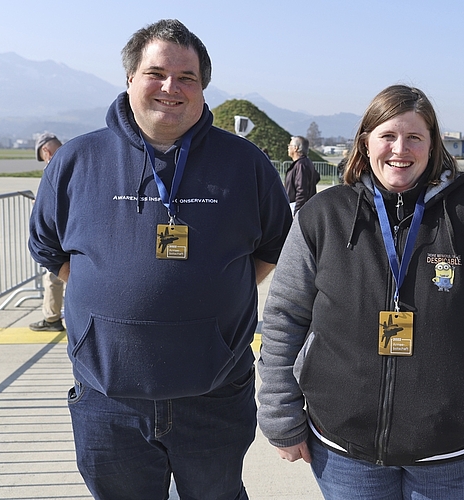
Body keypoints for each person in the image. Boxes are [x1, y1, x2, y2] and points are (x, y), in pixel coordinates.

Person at [28, 19, 293, 500]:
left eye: (187, 78)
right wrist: (111, 302)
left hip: (214, 394)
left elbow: (273, 247)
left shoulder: (245, 162)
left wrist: (207, 301)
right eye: (156, 73)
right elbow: (49, 247)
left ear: (203, 88)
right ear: (130, 79)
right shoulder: (77, 160)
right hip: (109, 399)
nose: (171, 88)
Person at [257, 85, 464, 499]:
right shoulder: (323, 216)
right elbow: (285, 316)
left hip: (454, 450)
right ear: (365, 142)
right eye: (387, 136)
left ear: (432, 145)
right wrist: (280, 414)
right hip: (343, 449)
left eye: (414, 137)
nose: (400, 149)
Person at [29, 133, 65, 332]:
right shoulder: (76, 159)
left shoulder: (54, 167)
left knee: (53, 276)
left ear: (46, 151)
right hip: (75, 232)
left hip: (60, 234)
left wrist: (40, 206)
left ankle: (52, 318)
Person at [285, 135, 320, 214]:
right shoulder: (306, 162)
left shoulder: (301, 165)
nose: (288, 147)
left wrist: (297, 212)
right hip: (305, 206)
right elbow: (316, 177)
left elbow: (301, 190)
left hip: (298, 207)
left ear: (295, 148)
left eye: (289, 145)